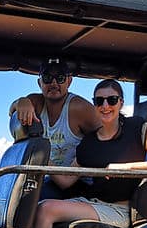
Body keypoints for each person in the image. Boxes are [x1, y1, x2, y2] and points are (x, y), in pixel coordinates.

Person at [29, 79, 147, 228]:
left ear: (121, 102)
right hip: (93, 203)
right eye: (99, 101)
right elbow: (66, 181)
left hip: (118, 210)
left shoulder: (137, 127)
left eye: (112, 100)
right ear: (94, 105)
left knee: (46, 210)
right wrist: (42, 157)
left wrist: (124, 168)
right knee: (37, 205)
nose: (105, 106)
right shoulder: (88, 142)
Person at [9, 58, 101, 199]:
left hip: (79, 183)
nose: (53, 83)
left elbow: (105, 137)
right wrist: (21, 101)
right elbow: (12, 112)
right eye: (47, 78)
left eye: (60, 78)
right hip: (48, 179)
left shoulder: (80, 108)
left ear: (69, 81)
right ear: (40, 83)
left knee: (30, 198)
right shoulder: (35, 103)